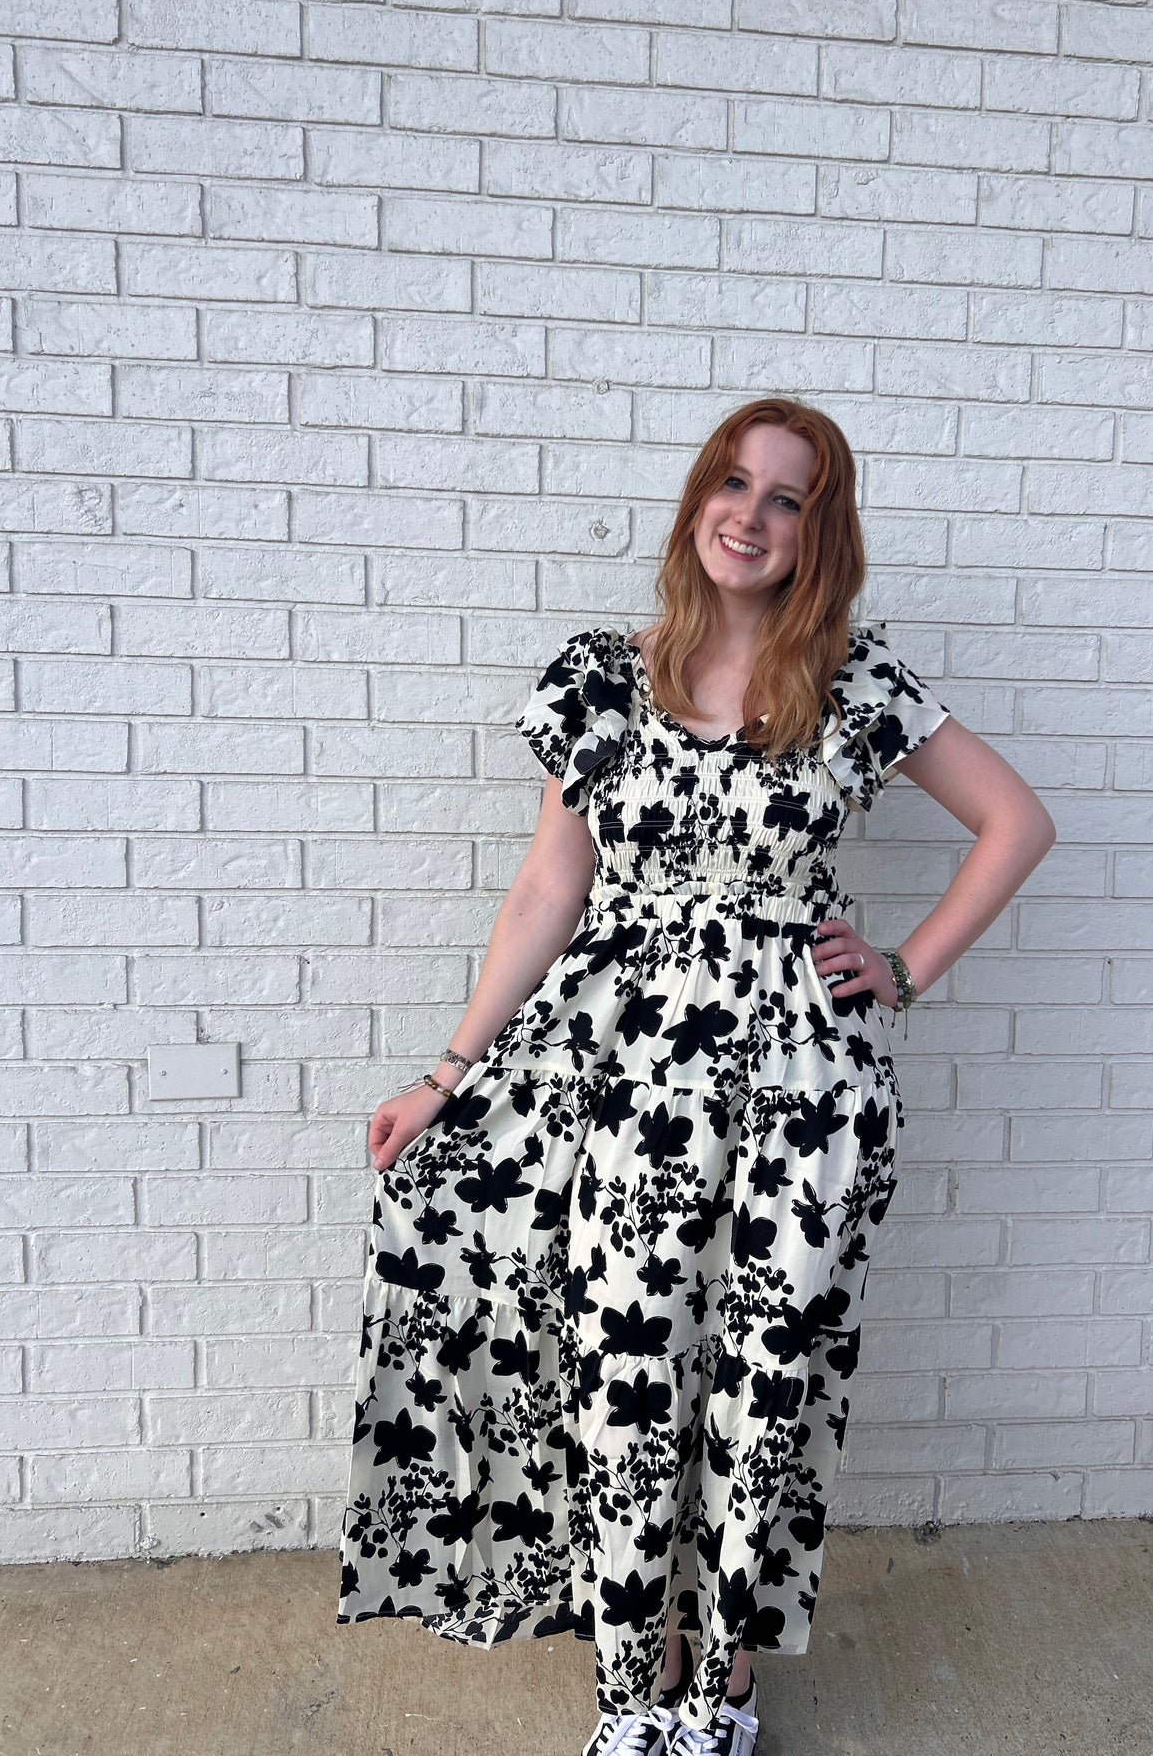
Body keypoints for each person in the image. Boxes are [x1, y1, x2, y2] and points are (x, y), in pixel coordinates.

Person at [336, 396, 1057, 1756]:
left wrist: (900, 968)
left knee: (760, 1375)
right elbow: (550, 887)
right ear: (694, 502)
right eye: (733, 483)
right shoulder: (604, 675)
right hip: (620, 1082)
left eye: (787, 497)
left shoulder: (851, 679)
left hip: (804, 1087)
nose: (751, 512)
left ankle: (716, 1687)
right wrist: (444, 1071)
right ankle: (633, 1684)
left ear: (814, 532)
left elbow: (1016, 822)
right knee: (627, 1370)